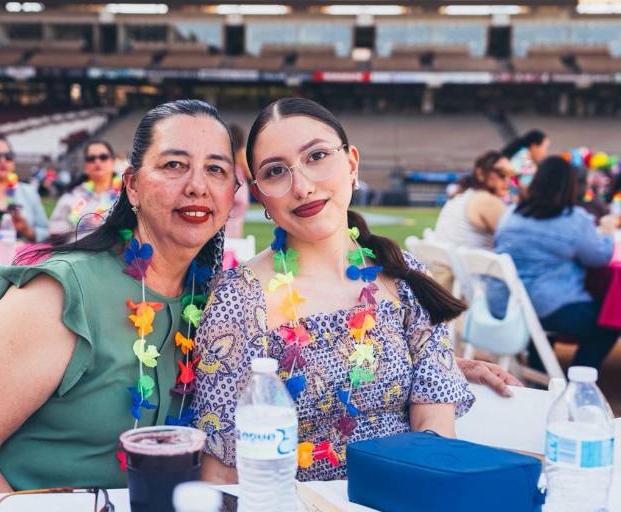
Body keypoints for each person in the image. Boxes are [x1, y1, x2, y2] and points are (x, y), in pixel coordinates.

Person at [0, 99, 239, 511]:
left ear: (232, 193)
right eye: (174, 165)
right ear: (132, 186)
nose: (198, 185)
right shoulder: (64, 291)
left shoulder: (213, 301)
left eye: (216, 169)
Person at [193, 98, 476, 483]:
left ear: (352, 164)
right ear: (260, 195)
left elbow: (435, 426)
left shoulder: (405, 277)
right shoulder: (239, 300)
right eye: (276, 171)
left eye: (317, 156)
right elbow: (222, 471)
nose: (303, 187)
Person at [489, 156, 618, 372]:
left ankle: (541, 375)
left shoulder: (511, 213)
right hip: (546, 306)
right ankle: (576, 382)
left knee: (541, 320)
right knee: (608, 324)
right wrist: (607, 232)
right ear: (570, 186)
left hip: (504, 301)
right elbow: (599, 257)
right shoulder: (573, 218)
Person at [434, 151, 514, 251]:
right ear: (480, 173)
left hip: (454, 263)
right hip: (472, 265)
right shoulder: (487, 200)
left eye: (511, 174)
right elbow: (516, 243)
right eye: (502, 173)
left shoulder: (462, 195)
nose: (508, 179)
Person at [48, 140, 122, 237]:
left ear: (113, 162)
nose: (97, 161)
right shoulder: (72, 195)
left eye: (103, 157)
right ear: (85, 166)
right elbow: (55, 231)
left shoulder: (127, 194)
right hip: (75, 249)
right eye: (91, 158)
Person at [502, 129, 550, 194]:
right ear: (534, 146)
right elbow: (509, 174)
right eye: (545, 148)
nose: (545, 154)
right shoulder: (522, 157)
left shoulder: (527, 159)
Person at [224, 124, 250, 239]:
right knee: (236, 223)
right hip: (240, 191)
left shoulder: (225, 155)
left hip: (229, 189)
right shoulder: (241, 155)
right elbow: (250, 174)